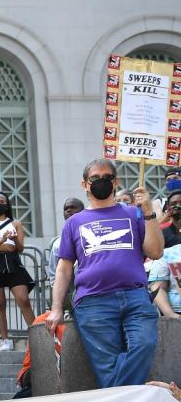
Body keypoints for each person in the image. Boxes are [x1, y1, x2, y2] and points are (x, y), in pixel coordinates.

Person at [46, 158, 163, 388]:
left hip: (136, 296)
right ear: (85, 184)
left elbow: (156, 251)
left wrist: (148, 210)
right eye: (95, 178)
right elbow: (64, 268)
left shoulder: (134, 213)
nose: (102, 182)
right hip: (92, 301)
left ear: (116, 181)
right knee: (107, 365)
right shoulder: (74, 222)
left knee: (144, 345)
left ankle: (117, 400)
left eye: (107, 178)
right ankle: (135, 396)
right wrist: (57, 307)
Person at [0, 191, 36, 351]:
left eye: (2, 201)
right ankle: (5, 340)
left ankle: (37, 336)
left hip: (12, 262)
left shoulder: (15, 223)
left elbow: (20, 248)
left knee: (23, 299)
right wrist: (2, 240)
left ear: (7, 204)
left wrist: (14, 238)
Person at [149, 190, 181, 319]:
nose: (178, 206)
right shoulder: (169, 252)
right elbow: (157, 286)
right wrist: (170, 314)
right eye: (174, 203)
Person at [46, 197, 85, 288]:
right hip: (67, 292)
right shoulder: (57, 243)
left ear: (82, 211)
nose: (68, 210)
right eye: (66, 209)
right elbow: (53, 273)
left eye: (72, 207)